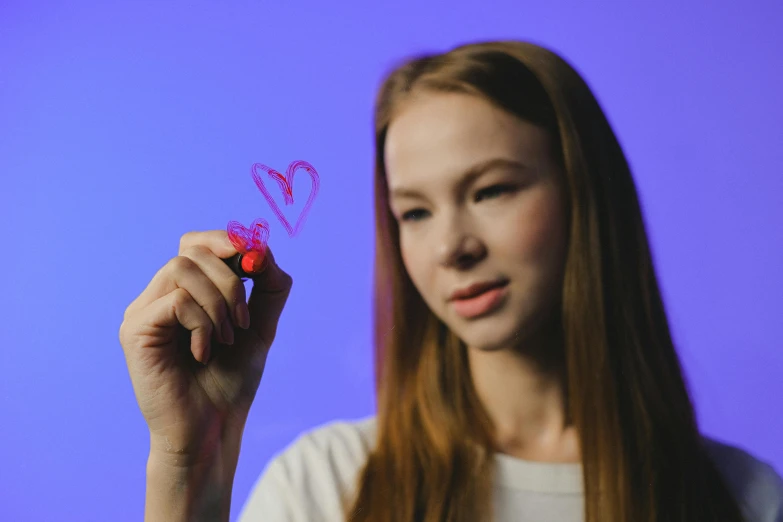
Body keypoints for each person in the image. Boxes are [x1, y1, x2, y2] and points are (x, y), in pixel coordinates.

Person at [119, 40, 783, 522]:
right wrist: (191, 461)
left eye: (491, 190)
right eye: (413, 211)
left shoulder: (745, 500)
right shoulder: (325, 487)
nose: (449, 247)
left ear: (586, 195)